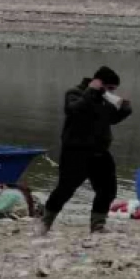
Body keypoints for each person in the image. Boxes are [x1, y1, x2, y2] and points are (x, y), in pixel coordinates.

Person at [40, 66, 132, 234]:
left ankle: (97, 225)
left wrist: (125, 107)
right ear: (98, 83)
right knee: (65, 189)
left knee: (107, 189)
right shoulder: (75, 93)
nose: (111, 92)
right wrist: (90, 92)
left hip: (100, 152)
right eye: (110, 88)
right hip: (75, 152)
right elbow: (73, 110)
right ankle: (46, 222)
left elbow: (112, 118)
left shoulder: (105, 99)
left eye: (114, 89)